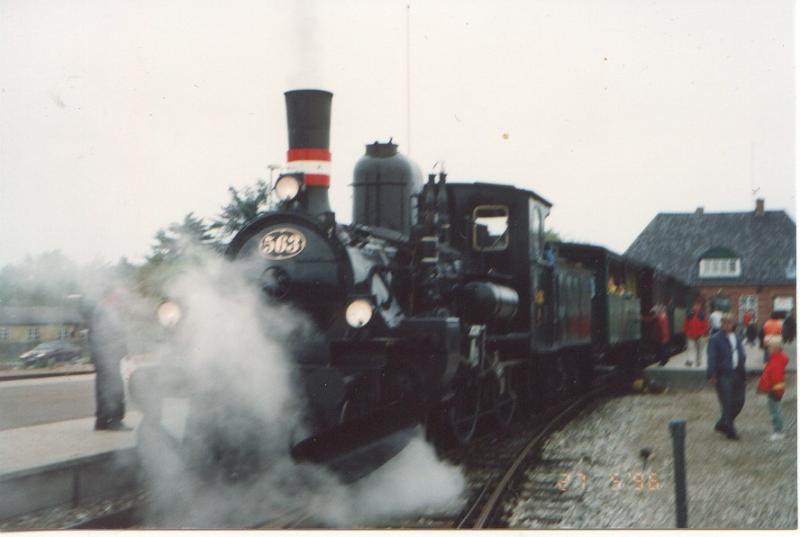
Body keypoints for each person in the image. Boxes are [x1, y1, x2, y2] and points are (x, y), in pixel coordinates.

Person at [90, 287, 131, 431]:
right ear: (110, 296)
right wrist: (122, 349)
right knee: (114, 388)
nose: (119, 300)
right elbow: (111, 334)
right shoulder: (106, 311)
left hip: (102, 356)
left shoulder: (100, 309)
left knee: (103, 388)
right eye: (117, 296)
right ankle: (115, 420)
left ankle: (101, 421)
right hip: (108, 356)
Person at [707, 314, 747, 440]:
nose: (727, 325)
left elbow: (741, 352)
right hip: (723, 374)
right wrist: (712, 374)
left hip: (737, 372)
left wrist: (742, 362)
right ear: (721, 324)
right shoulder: (715, 339)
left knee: (740, 401)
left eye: (730, 323)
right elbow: (712, 357)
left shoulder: (736, 337)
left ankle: (721, 424)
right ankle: (730, 431)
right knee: (727, 403)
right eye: (725, 323)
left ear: (733, 324)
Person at [757, 335, 789, 441]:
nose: (768, 349)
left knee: (775, 411)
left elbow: (776, 378)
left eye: (769, 347)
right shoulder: (777, 359)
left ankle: (778, 431)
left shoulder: (775, 362)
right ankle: (778, 430)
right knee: (776, 410)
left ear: (775, 348)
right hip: (775, 389)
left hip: (774, 390)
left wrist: (775, 390)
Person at [684, 299, 708, 367]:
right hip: (690, 335)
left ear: (700, 306)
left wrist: (702, 333)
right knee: (690, 348)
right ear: (693, 306)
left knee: (699, 349)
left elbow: (705, 325)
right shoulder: (689, 314)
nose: (696, 307)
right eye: (695, 305)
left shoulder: (703, 315)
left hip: (699, 336)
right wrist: (687, 332)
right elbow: (686, 324)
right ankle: (690, 361)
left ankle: (698, 361)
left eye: (698, 305)